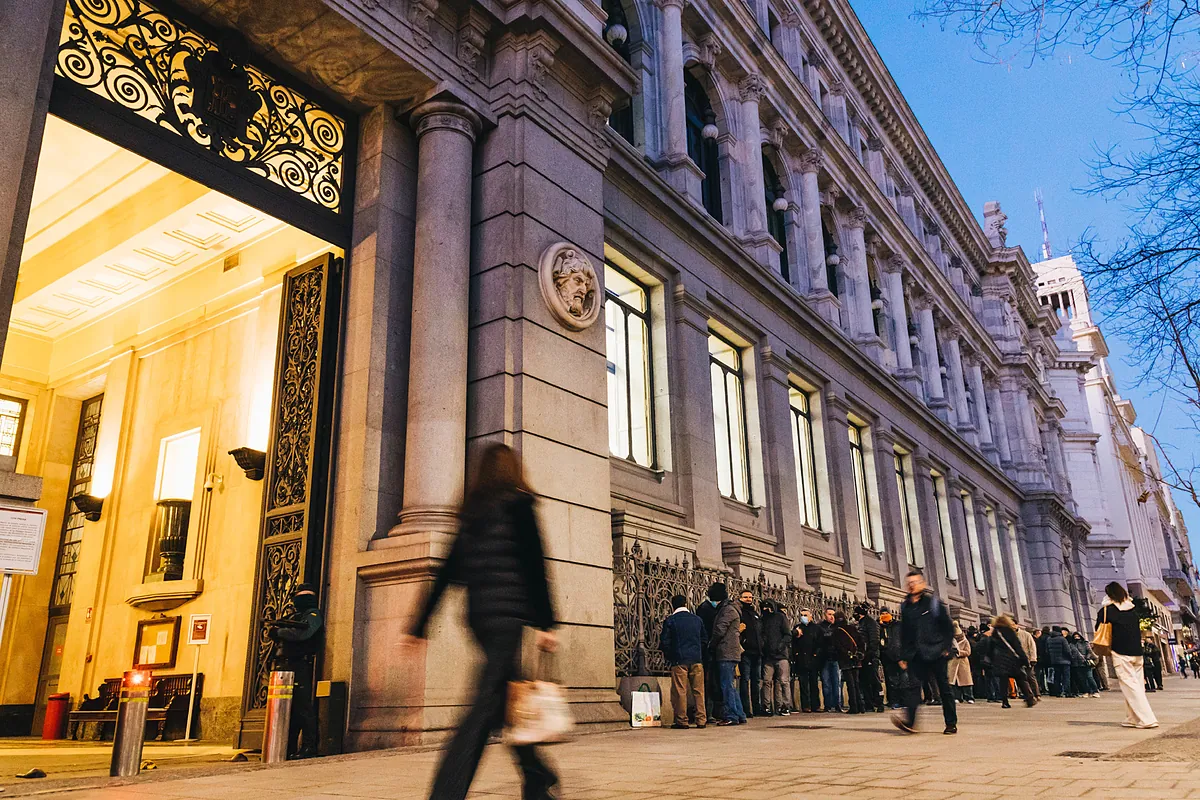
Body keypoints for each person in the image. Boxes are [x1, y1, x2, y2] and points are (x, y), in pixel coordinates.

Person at [403, 443, 559, 800]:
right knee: (482, 709)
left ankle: (538, 778)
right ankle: (447, 792)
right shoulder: (520, 506)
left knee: (505, 700)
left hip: (479, 619)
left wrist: (419, 624)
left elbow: (447, 571)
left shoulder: (472, 513)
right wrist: (547, 624)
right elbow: (536, 566)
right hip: (509, 619)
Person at [893, 570, 957, 735]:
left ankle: (951, 723)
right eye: (909, 583)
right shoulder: (905, 607)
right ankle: (910, 722)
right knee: (913, 688)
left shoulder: (933, 604)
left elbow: (948, 627)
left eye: (915, 582)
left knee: (944, 689)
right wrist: (903, 656)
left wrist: (946, 648)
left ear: (923, 584)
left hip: (936, 652)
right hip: (916, 655)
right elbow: (905, 633)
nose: (912, 585)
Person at [268, 583, 324, 758]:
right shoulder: (295, 616)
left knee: (302, 707)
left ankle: (309, 746)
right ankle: (288, 746)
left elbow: (304, 634)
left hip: (299, 665)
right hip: (285, 666)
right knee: (288, 709)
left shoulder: (313, 615)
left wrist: (281, 632)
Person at [1097, 582, 1158, 729]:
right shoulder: (1132, 609)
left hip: (1120, 652)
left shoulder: (1107, 611)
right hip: (1137, 653)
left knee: (1130, 687)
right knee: (1136, 687)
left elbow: (1098, 628)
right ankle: (1132, 717)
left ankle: (1147, 719)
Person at [660, 594, 708, 729]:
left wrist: (671, 656)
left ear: (673, 605)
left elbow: (665, 642)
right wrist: (698, 652)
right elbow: (704, 639)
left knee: (680, 691)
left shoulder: (671, 620)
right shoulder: (697, 620)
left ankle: (682, 720)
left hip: (679, 660)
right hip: (696, 659)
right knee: (699, 691)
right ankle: (701, 720)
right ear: (686, 604)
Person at [708, 583, 746, 726]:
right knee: (730, 685)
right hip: (730, 652)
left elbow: (720, 629)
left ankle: (731, 715)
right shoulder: (730, 608)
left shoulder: (727, 609)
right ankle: (739, 714)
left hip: (726, 652)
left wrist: (711, 645)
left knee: (726, 685)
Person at [988, 615, 1037, 709]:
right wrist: (1025, 660)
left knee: (1003, 682)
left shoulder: (994, 633)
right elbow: (1017, 646)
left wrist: (992, 661)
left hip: (999, 661)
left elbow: (990, 648)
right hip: (1012, 660)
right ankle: (1029, 698)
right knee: (1021, 678)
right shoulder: (1009, 631)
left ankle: (1005, 702)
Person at [695, 587, 723, 722]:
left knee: (714, 683)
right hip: (709, 651)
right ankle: (709, 712)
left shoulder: (712, 608)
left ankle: (714, 711)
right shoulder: (706, 609)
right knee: (710, 683)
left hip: (712, 650)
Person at [759, 599, 791, 716]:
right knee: (767, 681)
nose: (766, 610)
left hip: (781, 655)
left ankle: (785, 706)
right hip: (768, 656)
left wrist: (780, 646)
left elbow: (787, 635)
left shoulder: (780, 617)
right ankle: (766, 706)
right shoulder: (762, 619)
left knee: (783, 681)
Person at [737, 590, 764, 717]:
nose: (748, 599)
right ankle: (746, 709)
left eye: (750, 597)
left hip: (757, 652)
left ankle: (756, 707)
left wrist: (762, 644)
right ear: (740, 598)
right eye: (745, 597)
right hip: (746, 652)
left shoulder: (755, 613)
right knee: (745, 680)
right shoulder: (740, 612)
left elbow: (760, 631)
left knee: (756, 681)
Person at [854, 603, 884, 713]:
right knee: (864, 681)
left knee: (874, 680)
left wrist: (870, 654)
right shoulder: (860, 623)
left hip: (871, 656)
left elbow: (874, 640)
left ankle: (879, 702)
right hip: (863, 657)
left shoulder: (871, 623)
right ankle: (869, 704)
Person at [833, 611, 864, 714]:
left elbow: (838, 646)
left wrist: (846, 654)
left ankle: (854, 707)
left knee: (850, 684)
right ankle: (861, 706)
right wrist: (859, 653)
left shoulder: (836, 631)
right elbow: (861, 642)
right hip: (856, 659)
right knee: (856, 683)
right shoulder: (852, 628)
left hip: (845, 660)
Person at [791, 610, 821, 712]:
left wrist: (816, 654)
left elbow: (820, 643)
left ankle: (815, 705)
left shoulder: (816, 628)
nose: (803, 617)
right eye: (802, 615)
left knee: (814, 683)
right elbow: (793, 643)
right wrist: (796, 654)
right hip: (801, 659)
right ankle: (806, 705)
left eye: (805, 615)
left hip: (813, 659)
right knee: (803, 684)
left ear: (811, 617)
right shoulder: (798, 628)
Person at [817, 607, 842, 712]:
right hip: (825, 658)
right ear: (825, 615)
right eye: (829, 614)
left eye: (833, 614)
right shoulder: (820, 627)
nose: (831, 617)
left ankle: (838, 704)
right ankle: (828, 705)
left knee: (837, 682)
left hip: (836, 657)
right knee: (826, 682)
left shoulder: (838, 627)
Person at [879, 611, 902, 708]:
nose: (884, 615)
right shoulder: (880, 626)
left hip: (898, 655)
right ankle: (892, 700)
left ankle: (897, 700)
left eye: (886, 613)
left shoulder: (898, 625)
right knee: (889, 679)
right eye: (882, 613)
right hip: (886, 656)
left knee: (897, 679)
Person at [947, 622, 974, 704]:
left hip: (963, 663)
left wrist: (959, 652)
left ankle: (969, 697)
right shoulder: (949, 641)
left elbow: (968, 652)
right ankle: (957, 697)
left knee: (966, 682)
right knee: (954, 682)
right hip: (953, 663)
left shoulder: (965, 641)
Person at [1068, 632, 1100, 698]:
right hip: (1077, 663)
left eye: (1078, 636)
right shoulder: (1071, 644)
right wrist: (1073, 658)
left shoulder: (1085, 643)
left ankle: (1095, 691)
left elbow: (1089, 651)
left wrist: (1087, 658)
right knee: (1082, 679)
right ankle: (1086, 691)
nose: (1076, 637)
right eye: (1075, 636)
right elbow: (1070, 653)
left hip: (1085, 663)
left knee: (1089, 677)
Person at [1046, 626, 1073, 697]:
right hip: (1065, 661)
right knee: (1066, 677)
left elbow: (1047, 651)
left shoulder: (1049, 639)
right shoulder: (1062, 639)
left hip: (1054, 661)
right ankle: (1066, 692)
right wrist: (1070, 658)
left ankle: (1057, 692)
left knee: (1056, 677)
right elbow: (1067, 651)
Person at [1017, 624, 1040, 700]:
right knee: (1021, 677)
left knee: (1030, 676)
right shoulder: (1010, 635)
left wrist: (1033, 658)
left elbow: (1032, 647)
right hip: (1017, 660)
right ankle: (1026, 694)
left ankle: (1036, 694)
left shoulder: (1026, 634)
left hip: (1027, 659)